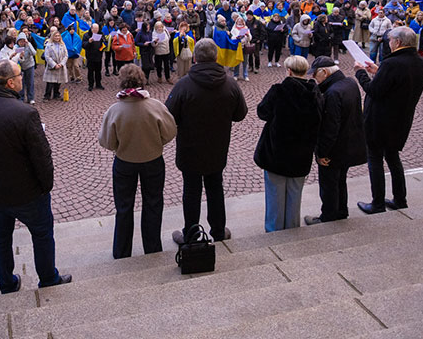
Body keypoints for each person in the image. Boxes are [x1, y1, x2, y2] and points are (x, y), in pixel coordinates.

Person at [0, 60, 72, 294]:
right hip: (28, 192)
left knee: (1, 238)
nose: (24, 79)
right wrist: (46, 187)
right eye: (20, 76)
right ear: (11, 82)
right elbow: (42, 157)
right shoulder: (25, 113)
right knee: (42, 235)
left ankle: (6, 282)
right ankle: (48, 278)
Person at [166, 38, 248, 244]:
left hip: (190, 147)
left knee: (191, 190)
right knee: (215, 187)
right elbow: (240, 114)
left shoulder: (183, 85)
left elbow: (169, 116)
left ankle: (191, 234)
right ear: (217, 56)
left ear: (195, 58)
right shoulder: (230, 83)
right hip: (217, 146)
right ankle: (218, 230)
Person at [98, 64, 177, 258]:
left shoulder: (115, 110)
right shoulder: (155, 106)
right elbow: (170, 132)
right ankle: (152, 248)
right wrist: (154, 143)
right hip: (152, 159)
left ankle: (122, 251)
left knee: (124, 208)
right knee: (153, 204)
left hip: (125, 161)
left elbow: (107, 141)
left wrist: (121, 146)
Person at [353, 26, 423, 213]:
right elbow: (399, 82)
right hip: (401, 120)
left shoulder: (392, 63)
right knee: (393, 158)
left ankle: (377, 203)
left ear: (398, 42)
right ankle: (400, 199)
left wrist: (360, 73)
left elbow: (374, 91)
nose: (389, 43)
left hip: (379, 121)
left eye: (390, 40)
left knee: (375, 159)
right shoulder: (421, 63)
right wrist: (378, 71)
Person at [254, 56, 321, 231]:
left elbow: (262, 112)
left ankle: (275, 232)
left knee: (275, 196)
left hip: (277, 154)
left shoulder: (279, 91)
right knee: (294, 195)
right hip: (301, 154)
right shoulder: (314, 93)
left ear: (289, 71)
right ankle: (291, 230)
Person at [303, 57, 366, 225]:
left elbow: (330, 127)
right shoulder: (350, 83)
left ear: (324, 72)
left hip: (335, 149)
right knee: (340, 181)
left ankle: (328, 216)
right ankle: (341, 211)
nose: (315, 78)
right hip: (349, 144)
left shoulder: (332, 93)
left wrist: (322, 152)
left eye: (316, 74)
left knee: (329, 184)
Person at [42, 28, 68, 100]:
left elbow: (66, 55)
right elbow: (47, 56)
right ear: (53, 37)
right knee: (50, 82)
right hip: (52, 66)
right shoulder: (49, 45)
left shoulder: (62, 45)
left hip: (60, 66)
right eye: (55, 36)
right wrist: (54, 64)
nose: (57, 37)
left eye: (58, 36)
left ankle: (56, 94)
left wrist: (61, 64)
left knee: (58, 81)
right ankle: (47, 95)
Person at [82, 23, 106, 91]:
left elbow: (105, 43)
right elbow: (83, 45)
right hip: (90, 56)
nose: (96, 30)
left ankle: (98, 84)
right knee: (90, 71)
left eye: (97, 29)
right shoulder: (86, 35)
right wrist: (89, 42)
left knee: (98, 71)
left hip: (98, 56)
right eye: (94, 29)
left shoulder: (101, 34)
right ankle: (91, 85)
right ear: (91, 29)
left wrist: (103, 47)